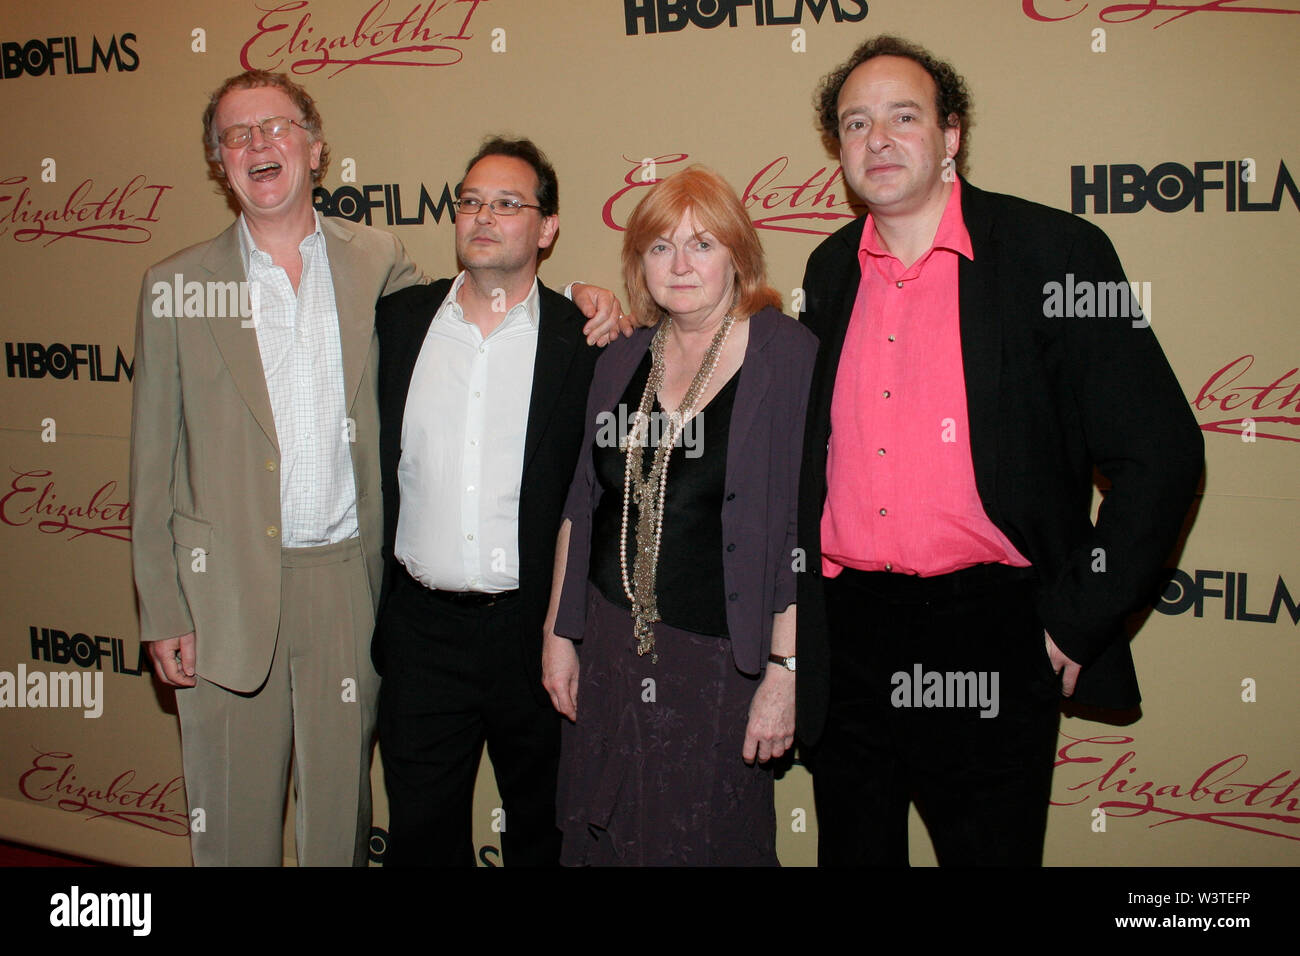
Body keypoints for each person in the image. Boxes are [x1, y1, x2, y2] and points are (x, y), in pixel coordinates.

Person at [131, 73, 623, 866]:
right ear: (220, 163)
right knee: (228, 824)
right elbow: (150, 464)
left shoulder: (378, 266)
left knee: (342, 820)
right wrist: (162, 606)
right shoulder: (176, 288)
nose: (258, 144)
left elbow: (495, 294)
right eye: (236, 134)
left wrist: (581, 297)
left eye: (276, 127)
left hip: (347, 592)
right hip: (220, 590)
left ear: (316, 148)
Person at [795, 36, 1204, 866]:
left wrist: (1072, 621)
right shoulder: (828, 270)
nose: (878, 139)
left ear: (952, 136)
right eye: (856, 123)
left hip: (992, 630)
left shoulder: (1053, 255)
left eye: (903, 117)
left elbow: (1160, 452)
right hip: (849, 636)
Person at [544, 166, 817, 866]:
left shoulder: (787, 356)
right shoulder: (623, 357)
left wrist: (785, 672)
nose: (681, 264)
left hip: (720, 663)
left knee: (707, 841)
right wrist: (558, 632)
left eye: (702, 244)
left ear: (739, 254)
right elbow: (583, 503)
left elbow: (799, 535)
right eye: (660, 247)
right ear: (639, 263)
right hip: (607, 646)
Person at [373, 137, 609, 866]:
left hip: (534, 637)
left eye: (509, 203)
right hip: (420, 634)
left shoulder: (588, 341)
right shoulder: (396, 324)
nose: (484, 215)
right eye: (471, 200)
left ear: (547, 229)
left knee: (544, 835)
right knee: (420, 839)